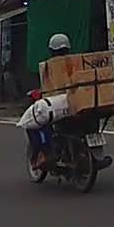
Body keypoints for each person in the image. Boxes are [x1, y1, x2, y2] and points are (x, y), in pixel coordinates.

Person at [27, 33, 72, 169]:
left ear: (51, 50)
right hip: (76, 103)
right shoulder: (75, 63)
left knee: (35, 123)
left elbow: (47, 87)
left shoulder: (48, 67)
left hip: (57, 106)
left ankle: (46, 153)